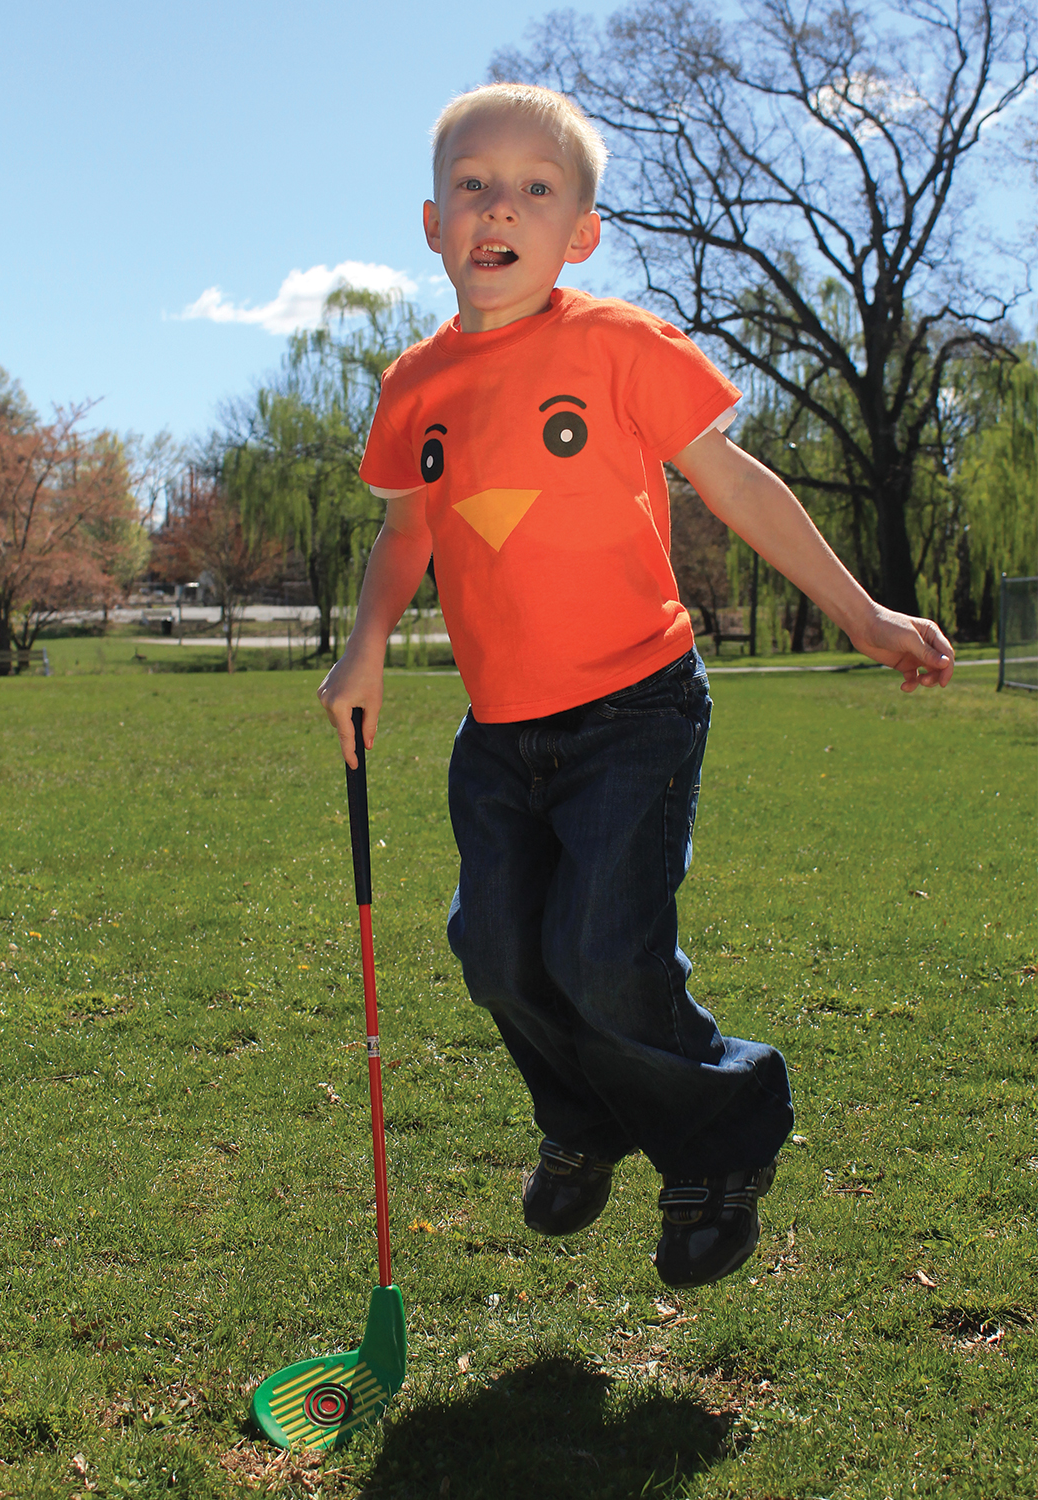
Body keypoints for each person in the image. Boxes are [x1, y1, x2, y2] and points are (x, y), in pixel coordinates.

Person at [317, 82, 954, 1289]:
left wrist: (864, 615)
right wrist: (363, 648)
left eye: (534, 190)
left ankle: (722, 1139)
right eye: (472, 185)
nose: (498, 206)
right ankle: (588, 1119)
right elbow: (408, 533)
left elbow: (737, 482)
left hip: (633, 710)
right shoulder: (415, 388)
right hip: (498, 732)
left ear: (582, 234)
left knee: (607, 956)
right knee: (499, 953)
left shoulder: (615, 346)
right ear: (431, 221)